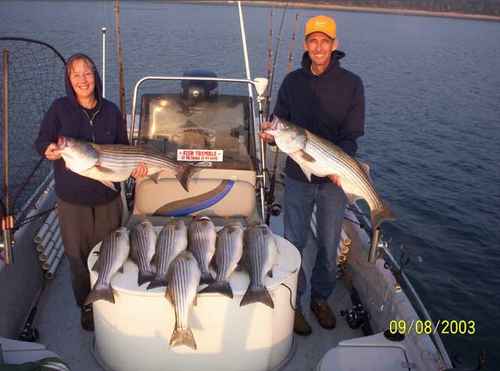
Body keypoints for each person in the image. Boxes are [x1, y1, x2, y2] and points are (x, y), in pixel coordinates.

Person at [261, 15, 365, 335]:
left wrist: (341, 166)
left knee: (329, 246)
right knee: (294, 243)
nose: (319, 47)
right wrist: (272, 135)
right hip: (296, 176)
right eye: (313, 41)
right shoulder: (293, 82)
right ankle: (295, 303)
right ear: (306, 45)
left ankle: (320, 299)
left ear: (335, 46)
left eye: (325, 42)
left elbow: (352, 133)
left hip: (333, 180)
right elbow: (280, 121)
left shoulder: (352, 84)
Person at [34, 53, 147, 331]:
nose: (82, 80)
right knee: (78, 260)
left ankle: (109, 302)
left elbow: (124, 146)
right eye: (76, 75)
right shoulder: (59, 109)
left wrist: (136, 168)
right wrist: (47, 149)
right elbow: (42, 139)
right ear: (69, 81)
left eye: (87, 73)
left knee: (110, 254)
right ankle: (87, 305)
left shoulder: (111, 111)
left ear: (95, 76)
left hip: (108, 200)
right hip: (72, 202)